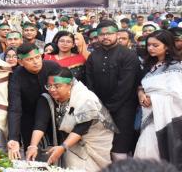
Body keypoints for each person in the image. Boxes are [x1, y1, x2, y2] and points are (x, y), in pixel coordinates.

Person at [26, 68, 116, 171]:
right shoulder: (48, 98)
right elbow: (40, 123)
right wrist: (33, 146)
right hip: (71, 142)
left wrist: (63, 147)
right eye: (49, 86)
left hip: (94, 140)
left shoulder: (85, 99)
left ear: (70, 85)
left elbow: (81, 128)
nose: (52, 89)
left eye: (57, 86)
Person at [85, 20, 140, 161]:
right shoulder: (93, 56)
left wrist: (109, 107)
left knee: (119, 147)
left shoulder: (128, 55)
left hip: (123, 108)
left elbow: (126, 86)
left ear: (116, 34)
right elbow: (89, 82)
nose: (105, 37)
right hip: (99, 107)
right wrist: (98, 105)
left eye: (109, 33)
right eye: (101, 34)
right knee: (101, 145)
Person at [134, 30, 182, 170]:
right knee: (145, 151)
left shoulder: (176, 67)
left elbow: (178, 96)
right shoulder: (148, 65)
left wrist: (154, 99)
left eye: (155, 45)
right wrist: (141, 94)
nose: (150, 48)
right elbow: (140, 86)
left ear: (167, 46)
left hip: (168, 120)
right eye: (148, 45)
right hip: (149, 117)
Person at [7, 43, 61, 160]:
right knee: (33, 155)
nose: (36, 62)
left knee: (58, 152)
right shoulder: (16, 75)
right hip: (29, 118)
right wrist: (13, 137)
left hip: (55, 116)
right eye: (30, 59)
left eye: (37, 57)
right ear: (21, 62)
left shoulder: (53, 67)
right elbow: (15, 108)